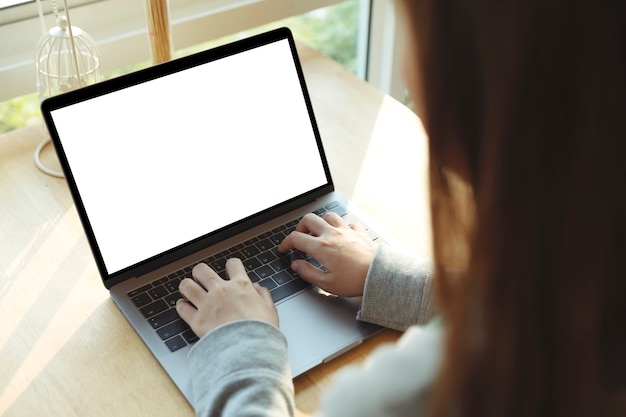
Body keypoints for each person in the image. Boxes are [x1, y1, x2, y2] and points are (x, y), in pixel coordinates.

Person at [176, 0, 626, 416]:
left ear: (470, 68)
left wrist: (240, 344)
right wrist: (386, 278)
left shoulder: (404, 397)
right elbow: (524, 302)